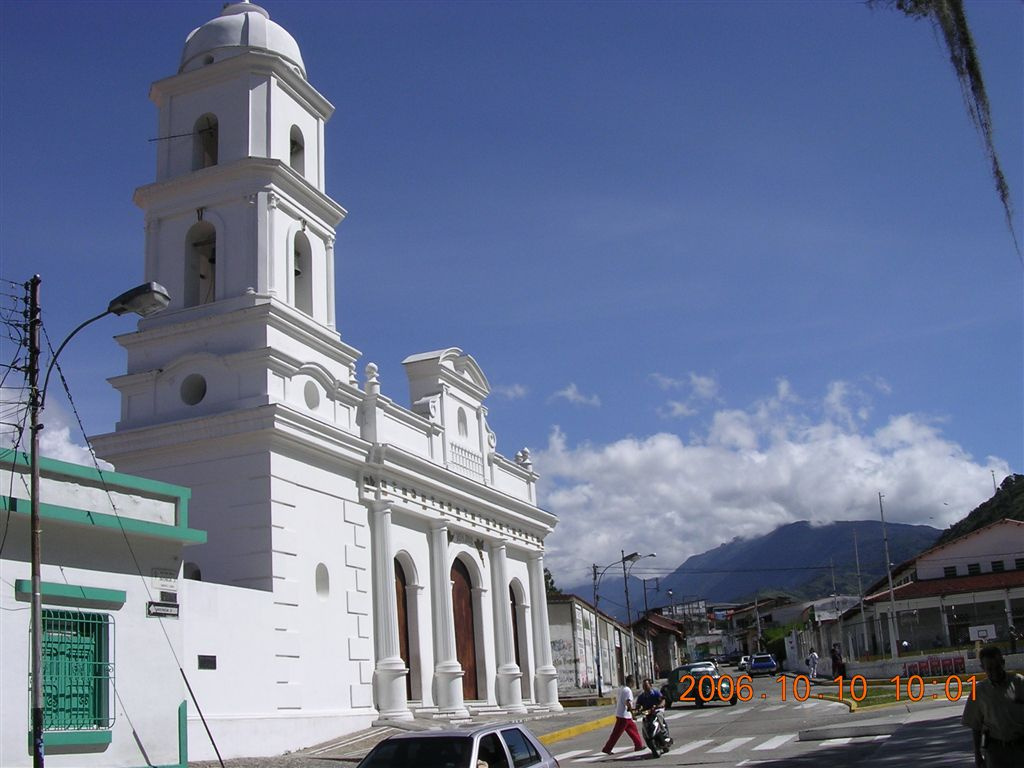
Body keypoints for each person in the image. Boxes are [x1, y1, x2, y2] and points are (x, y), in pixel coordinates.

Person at [961, 645, 1024, 768]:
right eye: (990, 669)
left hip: (1020, 747)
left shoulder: (1019, 683)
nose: (995, 672)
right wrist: (978, 754)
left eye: (998, 667)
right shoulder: (978, 691)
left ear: (1003, 663)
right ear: (982, 668)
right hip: (995, 751)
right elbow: (976, 726)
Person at [601, 674, 644, 754]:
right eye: (634, 682)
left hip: (624, 715)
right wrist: (633, 714)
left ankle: (638, 745)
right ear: (631, 682)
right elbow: (628, 703)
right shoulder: (628, 690)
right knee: (616, 734)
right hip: (624, 716)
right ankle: (607, 748)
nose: (634, 684)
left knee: (633, 730)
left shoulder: (623, 689)